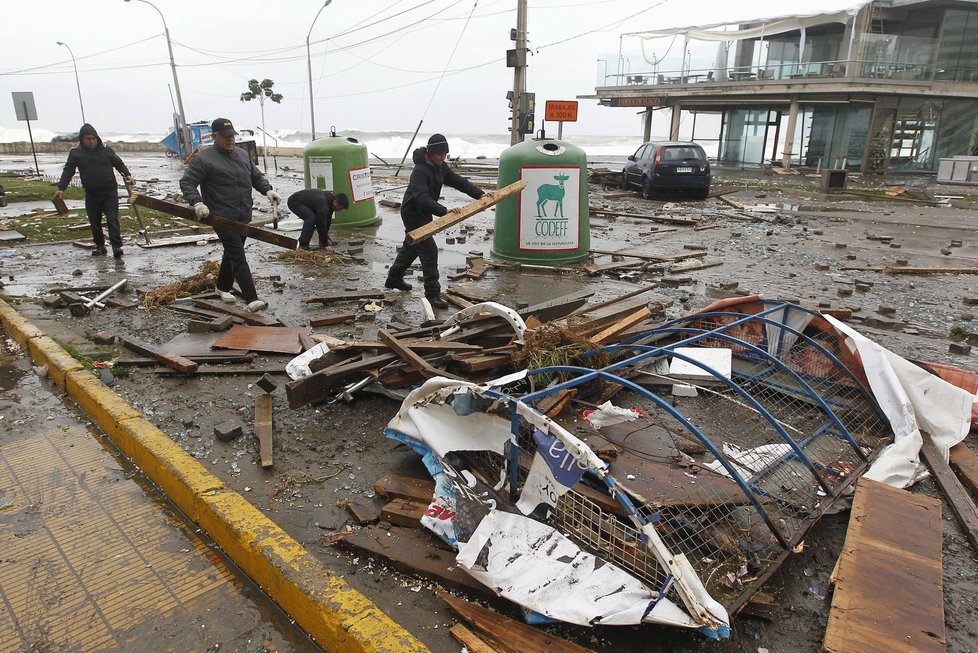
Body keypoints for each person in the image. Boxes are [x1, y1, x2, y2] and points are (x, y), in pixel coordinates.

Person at [179, 118, 280, 313]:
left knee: (232, 252)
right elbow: (187, 182)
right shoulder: (203, 159)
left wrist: (267, 190)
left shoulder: (242, 155)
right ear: (215, 136)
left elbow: (256, 177)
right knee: (238, 255)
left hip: (243, 214)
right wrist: (197, 202)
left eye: (232, 135)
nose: (230, 139)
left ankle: (222, 287)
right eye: (226, 137)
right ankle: (252, 299)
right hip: (220, 216)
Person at [385, 133, 491, 308]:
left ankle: (394, 278)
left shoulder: (441, 167)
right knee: (429, 250)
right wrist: (443, 211)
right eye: (439, 154)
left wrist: (480, 194)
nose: (443, 158)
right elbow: (421, 197)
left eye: (445, 154)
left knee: (412, 246)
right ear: (430, 152)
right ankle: (433, 294)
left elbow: (459, 182)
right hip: (413, 212)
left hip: (425, 211)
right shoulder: (420, 171)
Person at [55, 123, 133, 258]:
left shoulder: (106, 150)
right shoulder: (76, 153)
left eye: (93, 138)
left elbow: (118, 163)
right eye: (88, 139)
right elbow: (68, 171)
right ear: (82, 139)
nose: (91, 141)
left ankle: (116, 247)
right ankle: (100, 246)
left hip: (109, 191)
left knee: (112, 219)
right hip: (91, 193)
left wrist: (127, 174)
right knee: (94, 221)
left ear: (97, 138)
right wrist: (61, 188)